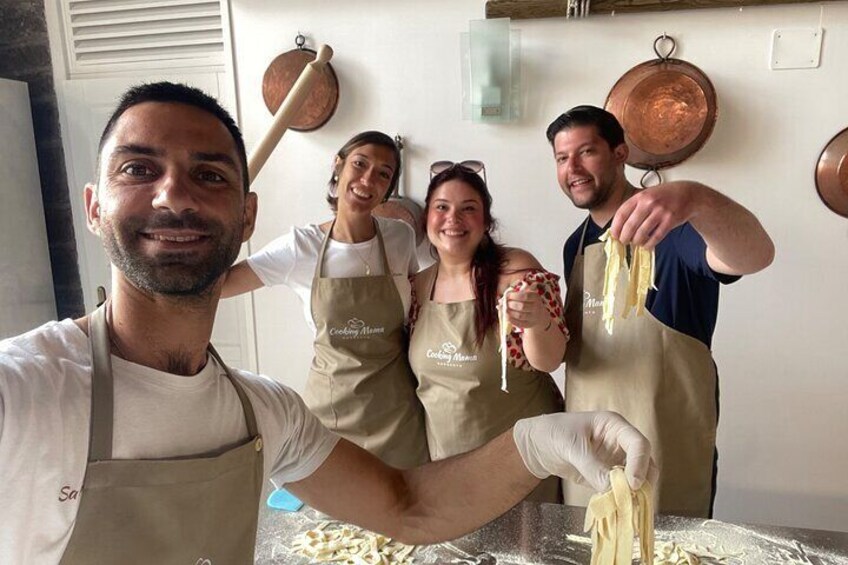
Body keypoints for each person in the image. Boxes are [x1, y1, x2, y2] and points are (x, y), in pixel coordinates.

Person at [0, 83, 656, 563]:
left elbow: (408, 504)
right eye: (139, 169)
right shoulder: (27, 393)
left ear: (246, 215)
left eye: (208, 174)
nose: (175, 195)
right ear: (93, 207)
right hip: (345, 411)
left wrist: (536, 441)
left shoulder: (263, 415)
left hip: (400, 433)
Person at [546, 105, 775, 518]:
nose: (573, 168)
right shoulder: (574, 245)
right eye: (562, 158)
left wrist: (697, 199)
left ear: (620, 153)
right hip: (591, 451)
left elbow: (756, 255)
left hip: (663, 448)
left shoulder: (674, 226)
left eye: (587, 152)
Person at [221, 131, 428, 469]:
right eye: (360, 164)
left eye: (383, 173)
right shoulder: (300, 247)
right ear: (338, 164)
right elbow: (222, 285)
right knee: (334, 521)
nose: (367, 179)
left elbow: (418, 304)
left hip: (399, 414)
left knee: (403, 513)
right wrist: (230, 226)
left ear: (389, 187)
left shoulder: (399, 237)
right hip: (332, 420)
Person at [408, 162, 568, 503]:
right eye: (442, 207)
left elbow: (549, 360)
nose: (454, 219)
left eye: (469, 209)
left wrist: (537, 318)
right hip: (448, 469)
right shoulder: (417, 287)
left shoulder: (515, 272)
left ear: (487, 222)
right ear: (427, 220)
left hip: (522, 466)